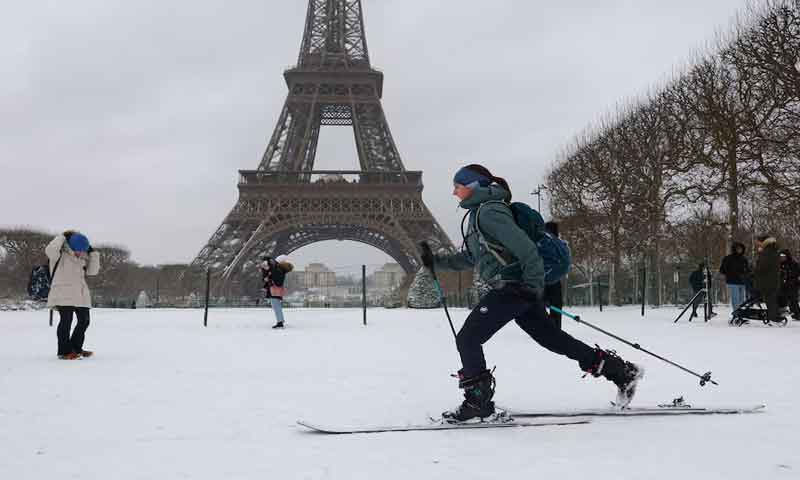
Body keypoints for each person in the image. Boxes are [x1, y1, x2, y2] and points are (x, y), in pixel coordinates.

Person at [418, 164, 643, 422]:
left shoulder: (489, 212)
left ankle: (478, 402)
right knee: (553, 339)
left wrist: (532, 286)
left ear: (474, 186)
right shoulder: (478, 215)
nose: (454, 193)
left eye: (458, 186)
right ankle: (620, 372)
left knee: (468, 338)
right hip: (519, 289)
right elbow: (471, 258)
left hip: (514, 288)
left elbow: (526, 250)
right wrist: (436, 261)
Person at [44, 230, 101, 360]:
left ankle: (76, 348)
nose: (80, 253)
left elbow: (92, 272)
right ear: (71, 246)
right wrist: (63, 236)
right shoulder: (59, 254)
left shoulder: (83, 257)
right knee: (66, 322)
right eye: (78, 250)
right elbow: (50, 250)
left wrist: (92, 253)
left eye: (83, 250)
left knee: (84, 321)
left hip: (81, 293)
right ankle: (64, 351)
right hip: (62, 292)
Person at [259, 255, 294, 329]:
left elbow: (276, 280)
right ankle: (280, 320)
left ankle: (280, 322)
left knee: (276, 307)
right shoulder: (280, 269)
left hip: (274, 290)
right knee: (276, 306)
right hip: (276, 290)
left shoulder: (278, 270)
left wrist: (269, 278)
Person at [753, 235, 781, 323]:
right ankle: (775, 316)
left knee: (770, 300)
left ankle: (773, 318)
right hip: (773, 279)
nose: (758, 244)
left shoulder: (767, 252)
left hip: (767, 280)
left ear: (763, 242)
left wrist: (755, 269)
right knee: (772, 299)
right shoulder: (773, 250)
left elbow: (763, 266)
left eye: (759, 242)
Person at [719, 242, 750, 314]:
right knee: (735, 299)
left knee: (742, 299)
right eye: (738, 249)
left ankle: (742, 313)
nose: (739, 250)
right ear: (734, 249)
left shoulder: (744, 259)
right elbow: (722, 269)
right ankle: (736, 313)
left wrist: (747, 274)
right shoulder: (728, 258)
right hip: (732, 281)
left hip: (742, 282)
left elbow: (748, 269)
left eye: (741, 249)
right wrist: (729, 273)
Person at [543, 221, 563, 329]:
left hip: (544, 279)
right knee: (555, 305)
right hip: (554, 279)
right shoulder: (559, 245)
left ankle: (547, 327)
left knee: (540, 304)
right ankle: (555, 327)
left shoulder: (542, 242)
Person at [779, 249, 800, 320]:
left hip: (792, 285)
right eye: (780, 256)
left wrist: (793, 280)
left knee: (793, 300)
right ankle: (782, 313)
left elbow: (797, 274)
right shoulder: (779, 264)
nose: (781, 257)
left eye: (783, 256)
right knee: (782, 299)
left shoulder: (793, 264)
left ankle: (797, 314)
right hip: (782, 285)